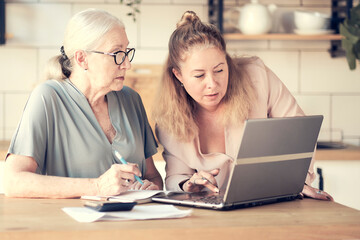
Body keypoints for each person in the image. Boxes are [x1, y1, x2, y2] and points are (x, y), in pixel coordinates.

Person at [152, 11, 333, 201]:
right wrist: (188, 184)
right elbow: (175, 178)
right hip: (211, 216)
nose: (212, 83)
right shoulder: (168, 121)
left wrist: (298, 183)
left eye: (219, 70)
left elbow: (299, 132)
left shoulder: (257, 77)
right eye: (199, 75)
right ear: (178, 75)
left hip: (271, 203)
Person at [3, 8, 163, 198]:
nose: (127, 64)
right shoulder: (47, 98)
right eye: (116, 53)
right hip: (71, 225)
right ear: (82, 59)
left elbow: (153, 176)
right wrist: (97, 187)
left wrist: (150, 187)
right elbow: (13, 181)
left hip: (135, 223)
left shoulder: (131, 99)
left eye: (127, 51)